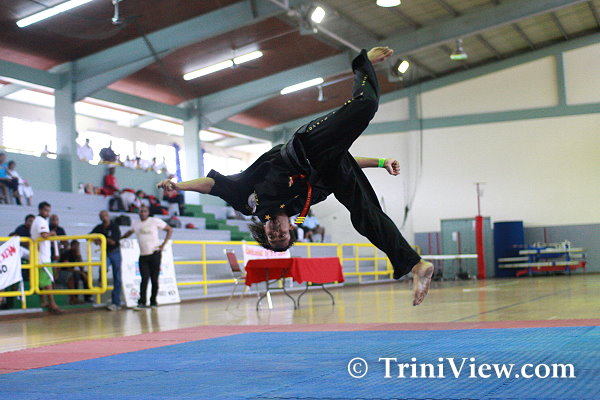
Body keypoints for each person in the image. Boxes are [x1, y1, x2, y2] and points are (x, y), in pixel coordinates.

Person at [158, 47, 433, 306]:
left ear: (265, 231)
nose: (276, 232)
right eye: (282, 236)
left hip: (304, 148)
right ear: (291, 229)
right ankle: (416, 265)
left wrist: (178, 185)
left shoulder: (248, 202)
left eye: (272, 236)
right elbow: (347, 162)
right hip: (329, 167)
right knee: (365, 213)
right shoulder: (304, 203)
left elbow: (211, 184)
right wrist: (381, 162)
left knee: (366, 106)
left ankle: (363, 62)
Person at [122, 205, 173, 309]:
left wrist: (163, 244)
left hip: (155, 253)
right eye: (141, 211)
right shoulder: (135, 223)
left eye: (145, 211)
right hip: (143, 255)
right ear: (138, 213)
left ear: (148, 212)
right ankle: (142, 302)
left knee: (154, 279)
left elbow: (169, 229)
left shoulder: (154, 221)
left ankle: (153, 301)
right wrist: (119, 238)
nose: (143, 213)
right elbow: (129, 233)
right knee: (144, 279)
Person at [30, 201, 62, 314]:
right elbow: (44, 235)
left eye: (48, 211)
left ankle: (44, 302)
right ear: (40, 210)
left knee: (43, 281)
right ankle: (52, 303)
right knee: (47, 281)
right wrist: (52, 233)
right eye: (45, 210)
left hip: (40, 255)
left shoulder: (38, 221)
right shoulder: (41, 221)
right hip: (42, 257)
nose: (47, 213)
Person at [91, 210, 123, 311]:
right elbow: (89, 236)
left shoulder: (114, 226)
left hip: (115, 252)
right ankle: (101, 281)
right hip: (106, 252)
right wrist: (96, 239)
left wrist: (101, 239)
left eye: (105, 215)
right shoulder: (99, 227)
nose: (104, 217)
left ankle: (116, 302)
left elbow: (113, 241)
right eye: (102, 216)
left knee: (117, 277)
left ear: (108, 216)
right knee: (102, 268)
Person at [58, 240, 92, 305]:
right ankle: (75, 298)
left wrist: (79, 256)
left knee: (86, 274)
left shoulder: (76, 254)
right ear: (72, 246)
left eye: (78, 246)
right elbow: (67, 268)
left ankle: (88, 297)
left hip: (71, 271)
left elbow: (82, 267)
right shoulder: (66, 253)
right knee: (75, 276)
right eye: (76, 246)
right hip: (63, 272)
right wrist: (80, 272)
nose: (77, 248)